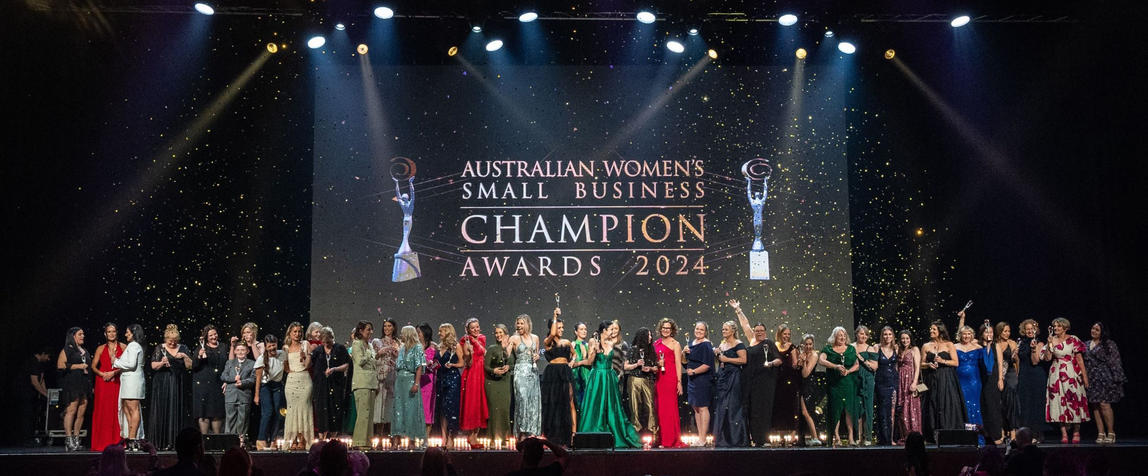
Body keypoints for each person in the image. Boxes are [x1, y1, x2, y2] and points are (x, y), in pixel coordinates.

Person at [577, 320, 640, 448]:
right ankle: (594, 434)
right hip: (597, 377)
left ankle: (613, 434)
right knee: (596, 405)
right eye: (610, 329)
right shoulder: (593, 341)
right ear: (604, 330)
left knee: (611, 406)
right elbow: (590, 362)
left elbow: (613, 362)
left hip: (609, 377)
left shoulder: (612, 343)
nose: (612, 332)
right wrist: (594, 351)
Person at [728, 299, 781, 447]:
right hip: (749, 380)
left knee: (762, 409)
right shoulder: (752, 340)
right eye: (757, 331)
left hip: (764, 382)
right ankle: (752, 437)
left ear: (765, 332)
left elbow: (779, 360)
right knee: (750, 409)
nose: (759, 333)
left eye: (761, 331)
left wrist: (770, 363)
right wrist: (738, 310)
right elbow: (745, 325)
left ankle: (762, 439)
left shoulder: (768, 343)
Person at [1040, 317, 1089, 444]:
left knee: (1074, 400)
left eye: (1059, 326)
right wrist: (1049, 344)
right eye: (1054, 326)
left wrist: (1085, 377)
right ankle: (1064, 433)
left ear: (1065, 328)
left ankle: (1076, 431)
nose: (1056, 328)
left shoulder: (1073, 339)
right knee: (1058, 402)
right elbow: (1047, 358)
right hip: (1056, 373)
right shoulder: (1051, 340)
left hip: (1072, 373)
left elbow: (1079, 359)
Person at [149, 324, 193, 450]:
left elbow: (190, 366)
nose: (173, 343)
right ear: (166, 339)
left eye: (175, 341)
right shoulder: (160, 348)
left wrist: (185, 356)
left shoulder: (183, 348)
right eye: (170, 341)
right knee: (163, 410)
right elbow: (153, 366)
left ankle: (175, 442)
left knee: (176, 410)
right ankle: (161, 442)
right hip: (162, 384)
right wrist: (162, 363)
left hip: (178, 383)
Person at [921, 320, 965, 442]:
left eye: (934, 329)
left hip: (946, 378)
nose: (931, 331)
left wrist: (943, 361)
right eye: (930, 329)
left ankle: (948, 433)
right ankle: (932, 435)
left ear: (940, 331)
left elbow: (956, 363)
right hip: (932, 379)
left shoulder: (949, 344)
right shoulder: (926, 346)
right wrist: (928, 365)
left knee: (946, 403)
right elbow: (921, 364)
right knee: (932, 404)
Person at [1084, 322, 1123, 444]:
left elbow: (1115, 361)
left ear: (1102, 332)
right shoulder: (1086, 344)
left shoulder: (1109, 344)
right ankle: (1101, 432)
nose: (1093, 331)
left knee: (1104, 404)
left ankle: (1111, 432)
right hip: (1091, 377)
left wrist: (1117, 378)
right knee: (1095, 405)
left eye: (1097, 329)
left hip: (1104, 377)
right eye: (1093, 328)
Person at [820, 326, 859, 446]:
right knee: (835, 410)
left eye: (844, 335)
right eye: (840, 335)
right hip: (834, 384)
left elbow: (857, 364)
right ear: (834, 337)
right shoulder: (828, 349)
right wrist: (835, 366)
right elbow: (821, 360)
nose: (842, 337)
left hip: (848, 383)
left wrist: (849, 371)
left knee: (849, 410)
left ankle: (851, 437)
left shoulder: (851, 349)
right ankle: (836, 437)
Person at [541, 309, 575, 447]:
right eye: (558, 327)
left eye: (562, 327)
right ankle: (551, 436)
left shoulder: (566, 342)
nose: (561, 330)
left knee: (569, 401)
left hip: (565, 372)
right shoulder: (547, 342)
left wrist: (572, 362)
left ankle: (572, 434)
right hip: (552, 373)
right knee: (553, 403)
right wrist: (555, 316)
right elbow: (553, 334)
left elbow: (574, 354)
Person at [711, 321, 748, 447]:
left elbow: (743, 360)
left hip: (734, 377)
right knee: (722, 407)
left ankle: (736, 439)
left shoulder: (738, 344)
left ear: (733, 331)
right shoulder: (723, 344)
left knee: (733, 406)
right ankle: (723, 439)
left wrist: (727, 359)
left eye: (726, 329)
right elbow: (720, 361)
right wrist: (717, 354)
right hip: (723, 377)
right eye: (723, 329)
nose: (723, 331)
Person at [311, 326, 349, 439]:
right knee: (321, 409)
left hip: (336, 384)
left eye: (328, 342)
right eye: (324, 342)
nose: (326, 344)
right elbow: (311, 365)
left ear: (332, 338)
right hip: (321, 385)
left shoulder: (340, 348)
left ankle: (333, 437)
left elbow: (346, 365)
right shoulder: (318, 351)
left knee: (335, 409)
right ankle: (321, 437)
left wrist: (334, 369)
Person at [91, 323, 124, 451]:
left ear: (117, 332)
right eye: (109, 332)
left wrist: (113, 373)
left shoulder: (124, 347)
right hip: (103, 383)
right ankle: (102, 442)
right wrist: (103, 374)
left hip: (117, 381)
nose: (111, 334)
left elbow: (128, 364)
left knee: (117, 409)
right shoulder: (100, 348)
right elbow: (93, 366)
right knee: (103, 411)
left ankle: (118, 441)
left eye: (113, 331)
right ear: (105, 334)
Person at [1015, 319, 1050, 440]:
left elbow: (1035, 362)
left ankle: (1037, 433)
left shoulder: (1039, 343)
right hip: (1024, 375)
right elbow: (1017, 361)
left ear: (1036, 330)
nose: (1030, 331)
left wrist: (1034, 349)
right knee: (1025, 404)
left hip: (1036, 376)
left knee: (1036, 404)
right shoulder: (1021, 343)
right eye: (1027, 329)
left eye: (1032, 329)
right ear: (1024, 331)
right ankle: (1026, 434)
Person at [113, 325, 146, 450]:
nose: (125, 334)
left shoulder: (134, 346)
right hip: (128, 381)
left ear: (133, 333)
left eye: (128, 332)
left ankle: (133, 439)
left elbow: (131, 364)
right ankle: (130, 437)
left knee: (133, 409)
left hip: (133, 382)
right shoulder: (132, 346)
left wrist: (115, 361)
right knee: (127, 409)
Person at [653, 318, 685, 448]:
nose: (666, 330)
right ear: (660, 329)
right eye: (664, 328)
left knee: (669, 409)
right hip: (658, 379)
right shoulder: (656, 343)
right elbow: (652, 361)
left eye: (668, 328)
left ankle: (670, 440)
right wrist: (657, 363)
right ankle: (661, 439)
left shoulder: (675, 344)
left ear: (672, 330)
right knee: (659, 409)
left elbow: (678, 364)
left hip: (670, 379)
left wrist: (679, 382)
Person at [58, 327, 92, 451]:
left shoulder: (84, 351)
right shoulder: (67, 349)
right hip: (72, 383)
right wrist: (78, 366)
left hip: (84, 383)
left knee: (81, 411)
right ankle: (68, 439)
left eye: (83, 334)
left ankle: (76, 438)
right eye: (80, 334)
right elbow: (60, 365)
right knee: (71, 410)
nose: (83, 336)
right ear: (73, 336)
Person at [509, 315, 542, 438]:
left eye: (521, 323)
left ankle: (532, 432)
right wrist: (507, 344)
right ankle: (522, 431)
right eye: (518, 323)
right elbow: (507, 354)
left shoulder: (535, 338)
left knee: (533, 401)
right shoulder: (514, 338)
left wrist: (537, 357)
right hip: (520, 372)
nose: (519, 325)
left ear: (527, 324)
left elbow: (537, 355)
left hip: (532, 372)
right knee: (522, 400)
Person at [283, 322, 315, 448]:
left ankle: (303, 440)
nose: (297, 334)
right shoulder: (286, 347)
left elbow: (308, 365)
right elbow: (285, 367)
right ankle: (293, 440)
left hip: (304, 380)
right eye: (295, 331)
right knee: (292, 411)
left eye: (299, 331)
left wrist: (304, 356)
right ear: (290, 333)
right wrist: (291, 371)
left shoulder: (306, 344)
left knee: (304, 409)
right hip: (291, 381)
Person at [953, 323, 986, 445]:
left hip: (974, 382)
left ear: (972, 335)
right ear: (960, 335)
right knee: (962, 407)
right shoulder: (954, 347)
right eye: (964, 334)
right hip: (959, 381)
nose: (966, 336)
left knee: (975, 407)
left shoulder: (978, 347)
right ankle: (964, 437)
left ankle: (977, 437)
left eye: (968, 334)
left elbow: (986, 363)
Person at [392, 325, 427, 440]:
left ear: (407, 334)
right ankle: (397, 437)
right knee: (399, 409)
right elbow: (401, 364)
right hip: (400, 382)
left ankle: (411, 438)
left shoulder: (417, 347)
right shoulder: (402, 348)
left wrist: (416, 384)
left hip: (410, 380)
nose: (400, 335)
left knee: (411, 409)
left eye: (402, 333)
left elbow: (419, 367)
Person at [191, 325, 227, 436]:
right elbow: (194, 366)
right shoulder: (200, 348)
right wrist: (199, 356)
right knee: (203, 412)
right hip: (202, 385)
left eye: (215, 334)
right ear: (206, 337)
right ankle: (204, 440)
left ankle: (217, 440)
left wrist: (226, 380)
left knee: (217, 412)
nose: (213, 337)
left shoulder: (223, 347)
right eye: (210, 335)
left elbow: (228, 364)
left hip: (218, 383)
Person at [459, 317, 490, 445]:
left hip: (482, 373)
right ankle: (470, 436)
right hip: (472, 374)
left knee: (480, 403)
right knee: (472, 403)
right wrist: (470, 354)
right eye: (473, 328)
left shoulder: (482, 339)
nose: (476, 329)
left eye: (477, 327)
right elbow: (468, 363)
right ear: (468, 330)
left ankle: (475, 436)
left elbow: (485, 354)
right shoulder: (466, 341)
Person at [347, 321, 377, 448]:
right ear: (361, 331)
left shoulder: (369, 345)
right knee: (363, 414)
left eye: (371, 329)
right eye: (368, 329)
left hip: (371, 382)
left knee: (369, 415)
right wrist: (369, 354)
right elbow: (360, 361)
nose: (371, 332)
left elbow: (373, 363)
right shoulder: (356, 344)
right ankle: (359, 442)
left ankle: (367, 441)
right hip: (362, 383)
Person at [683, 321, 714, 445]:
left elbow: (707, 365)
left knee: (702, 407)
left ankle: (703, 438)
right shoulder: (691, 344)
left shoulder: (706, 345)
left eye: (702, 329)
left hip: (702, 379)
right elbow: (684, 362)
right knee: (695, 408)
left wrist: (694, 371)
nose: (699, 331)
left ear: (705, 332)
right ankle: (700, 438)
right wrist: (683, 352)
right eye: (697, 329)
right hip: (692, 380)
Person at [254, 334, 285, 450]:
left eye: (274, 345)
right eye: (269, 346)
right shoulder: (261, 359)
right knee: (267, 412)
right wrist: (257, 395)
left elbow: (287, 367)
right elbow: (258, 378)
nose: (272, 348)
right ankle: (261, 439)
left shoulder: (282, 354)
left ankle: (273, 440)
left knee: (278, 413)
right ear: (266, 347)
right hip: (265, 386)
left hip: (277, 386)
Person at [222, 341, 257, 445]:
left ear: (247, 351)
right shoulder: (229, 363)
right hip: (231, 395)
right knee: (230, 420)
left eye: (243, 350)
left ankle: (241, 443)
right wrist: (234, 378)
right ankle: (229, 443)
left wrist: (243, 383)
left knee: (243, 420)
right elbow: (223, 376)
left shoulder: (252, 363)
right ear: (235, 351)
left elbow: (253, 379)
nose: (240, 352)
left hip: (244, 395)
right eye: (238, 350)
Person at [485, 323, 515, 442]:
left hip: (505, 382)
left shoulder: (511, 347)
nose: (498, 335)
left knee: (504, 409)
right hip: (493, 383)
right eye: (496, 333)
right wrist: (494, 370)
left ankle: (505, 438)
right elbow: (486, 366)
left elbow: (513, 364)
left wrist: (509, 367)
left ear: (506, 334)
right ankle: (493, 438)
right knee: (494, 410)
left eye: (500, 332)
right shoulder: (492, 348)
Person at [975, 320, 1004, 444]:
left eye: (991, 332)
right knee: (983, 406)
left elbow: (1000, 363)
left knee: (993, 406)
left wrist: (1000, 379)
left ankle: (997, 434)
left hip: (993, 379)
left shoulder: (996, 346)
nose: (989, 334)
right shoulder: (977, 345)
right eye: (987, 332)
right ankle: (985, 434)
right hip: (980, 378)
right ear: (982, 333)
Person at [17, 347, 52, 446]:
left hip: (32, 394)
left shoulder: (41, 364)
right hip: (24, 392)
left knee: (33, 415)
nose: (48, 359)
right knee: (27, 415)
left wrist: (46, 393)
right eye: (47, 356)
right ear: (43, 353)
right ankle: (26, 439)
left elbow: (41, 379)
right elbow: (35, 382)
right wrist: (45, 394)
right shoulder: (33, 362)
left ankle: (32, 436)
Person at [370, 319, 399, 437]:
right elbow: (373, 359)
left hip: (393, 377)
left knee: (391, 405)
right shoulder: (377, 342)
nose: (387, 328)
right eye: (385, 326)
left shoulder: (398, 343)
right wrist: (379, 353)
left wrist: (396, 355)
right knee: (380, 406)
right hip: (381, 377)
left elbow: (400, 360)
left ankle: (391, 436)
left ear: (394, 328)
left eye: (389, 326)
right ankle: (379, 435)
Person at [771, 324, 801, 439]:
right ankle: (780, 434)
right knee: (778, 407)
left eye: (788, 334)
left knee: (790, 406)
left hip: (789, 381)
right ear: (779, 334)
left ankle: (792, 434)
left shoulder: (792, 347)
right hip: (777, 380)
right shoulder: (774, 346)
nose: (787, 336)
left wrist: (798, 362)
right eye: (785, 334)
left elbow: (795, 364)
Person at [994, 322, 1021, 443]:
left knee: (1011, 402)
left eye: (1009, 331)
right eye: (1005, 331)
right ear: (999, 331)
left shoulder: (1012, 343)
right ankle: (1001, 430)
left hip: (1010, 374)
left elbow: (1016, 363)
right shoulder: (994, 343)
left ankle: (1013, 431)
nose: (1007, 333)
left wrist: (1016, 358)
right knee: (999, 403)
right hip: (997, 374)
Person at [436, 323, 464, 439]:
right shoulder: (438, 347)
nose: (439, 333)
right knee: (442, 409)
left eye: (441, 331)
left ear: (448, 332)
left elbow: (462, 363)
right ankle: (443, 437)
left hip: (452, 379)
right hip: (441, 379)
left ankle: (451, 437)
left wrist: (452, 364)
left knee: (451, 409)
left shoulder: (456, 346)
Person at [895, 330, 922, 444]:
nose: (905, 340)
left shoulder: (915, 349)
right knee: (901, 408)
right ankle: (904, 435)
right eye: (903, 338)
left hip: (910, 380)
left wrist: (914, 382)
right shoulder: (899, 350)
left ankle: (914, 435)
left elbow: (917, 367)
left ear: (910, 339)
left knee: (911, 407)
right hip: (900, 381)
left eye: (907, 338)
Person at [874, 326, 899, 446]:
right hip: (881, 382)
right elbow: (874, 364)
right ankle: (883, 438)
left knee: (892, 411)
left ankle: (891, 438)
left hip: (893, 381)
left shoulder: (896, 348)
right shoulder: (877, 347)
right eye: (885, 334)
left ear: (893, 336)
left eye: (889, 334)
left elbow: (897, 366)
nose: (887, 336)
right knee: (882, 410)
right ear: (882, 336)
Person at [853, 326, 878, 445]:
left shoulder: (870, 348)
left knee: (867, 408)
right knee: (856, 409)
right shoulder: (851, 347)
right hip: (854, 379)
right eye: (861, 333)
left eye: (865, 334)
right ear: (856, 334)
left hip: (867, 379)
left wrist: (862, 359)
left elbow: (874, 367)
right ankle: (856, 436)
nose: (863, 336)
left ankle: (867, 437)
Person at [796, 334, 823, 445]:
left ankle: (815, 437)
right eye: (806, 344)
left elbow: (805, 373)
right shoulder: (803, 354)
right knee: (804, 412)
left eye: (810, 344)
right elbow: (797, 367)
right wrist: (800, 360)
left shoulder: (814, 355)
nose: (808, 346)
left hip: (809, 386)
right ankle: (810, 437)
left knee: (807, 412)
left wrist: (804, 362)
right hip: (801, 385)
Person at [417, 323, 438, 436]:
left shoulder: (433, 346)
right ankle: (416, 437)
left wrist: (431, 365)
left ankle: (426, 437)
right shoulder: (415, 347)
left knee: (427, 408)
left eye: (419, 332)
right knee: (416, 408)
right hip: (417, 380)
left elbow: (437, 363)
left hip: (429, 381)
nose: (417, 334)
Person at [570, 322, 591, 412]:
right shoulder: (573, 344)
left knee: (587, 398)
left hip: (587, 374)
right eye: (581, 329)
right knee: (576, 398)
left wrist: (581, 362)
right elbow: (570, 361)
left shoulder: (588, 345)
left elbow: (590, 361)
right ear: (576, 332)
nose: (584, 331)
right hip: (576, 375)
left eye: (585, 329)